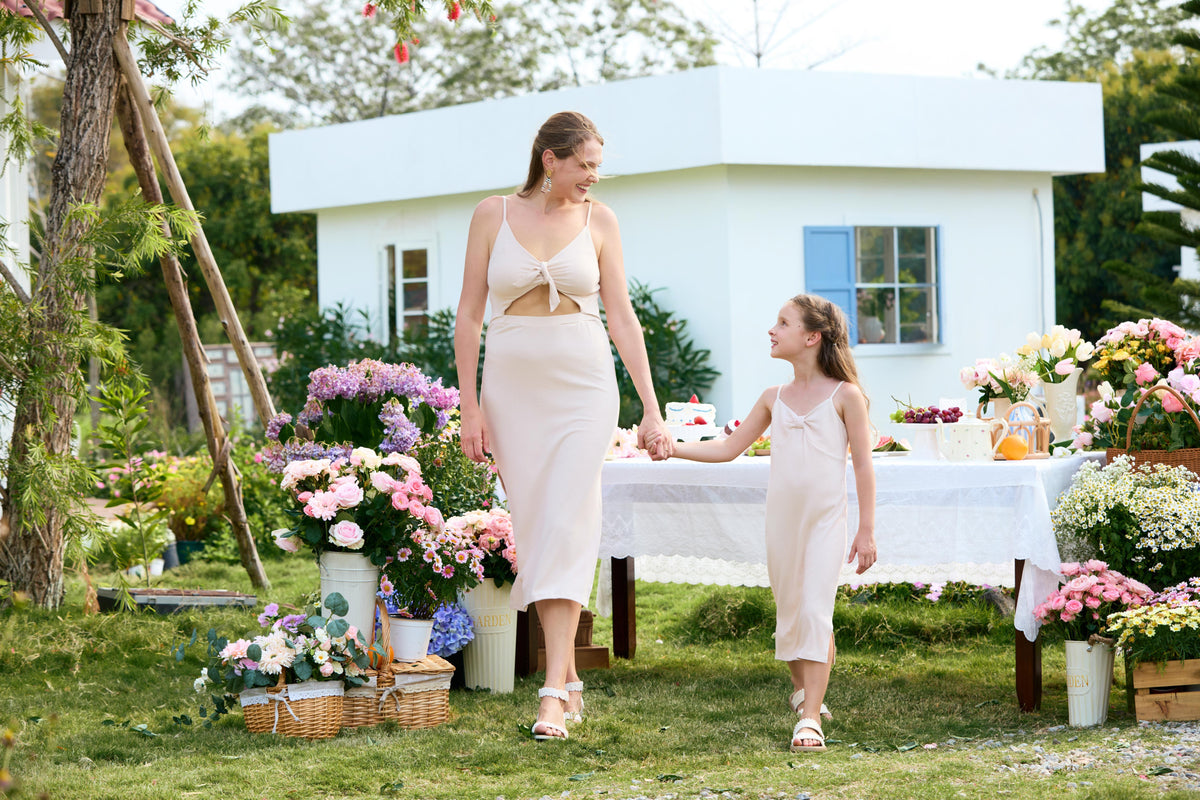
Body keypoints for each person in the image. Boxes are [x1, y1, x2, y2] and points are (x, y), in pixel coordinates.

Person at [454, 111, 673, 741]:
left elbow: (622, 317)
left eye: (597, 166)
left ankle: (552, 688)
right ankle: (570, 678)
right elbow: (468, 317)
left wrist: (651, 407)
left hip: (584, 386)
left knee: (569, 522)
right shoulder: (491, 215)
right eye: (584, 164)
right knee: (537, 525)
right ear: (550, 159)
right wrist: (469, 406)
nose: (593, 176)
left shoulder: (600, 221)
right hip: (511, 390)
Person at [646, 294, 877, 753]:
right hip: (782, 523)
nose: (772, 330)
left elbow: (864, 466)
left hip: (826, 522)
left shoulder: (846, 396)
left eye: (783, 323)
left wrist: (866, 529)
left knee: (815, 610)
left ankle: (810, 718)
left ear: (812, 337)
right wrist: (673, 448)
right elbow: (727, 448)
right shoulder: (774, 398)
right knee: (791, 611)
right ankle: (803, 691)